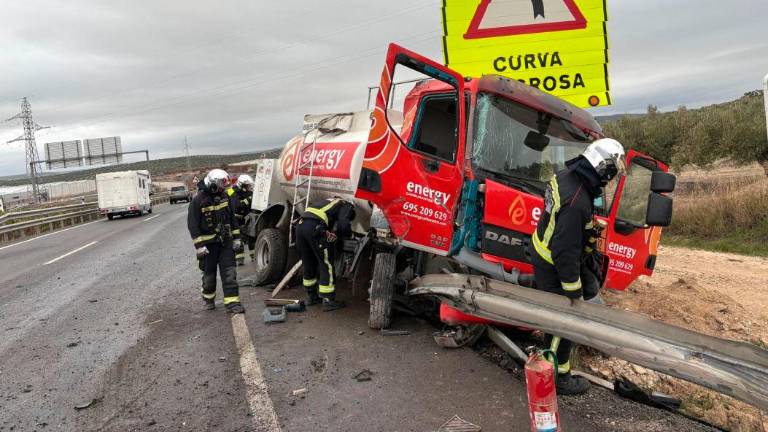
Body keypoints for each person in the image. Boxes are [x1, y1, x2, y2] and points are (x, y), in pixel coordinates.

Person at [530, 138, 626, 395]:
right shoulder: (577, 202)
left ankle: (551, 365)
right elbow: (565, 253)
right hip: (553, 263)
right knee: (563, 322)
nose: (611, 179)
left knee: (556, 317)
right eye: (612, 172)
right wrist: (573, 293)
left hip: (543, 248)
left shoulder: (566, 176)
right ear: (603, 167)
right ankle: (557, 378)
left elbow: (563, 225)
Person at [187, 169, 245, 314]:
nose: (223, 188)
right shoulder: (197, 201)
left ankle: (232, 303)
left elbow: (232, 219)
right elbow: (193, 225)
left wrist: (237, 238)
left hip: (225, 243)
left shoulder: (225, 197)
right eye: (221, 185)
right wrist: (199, 246)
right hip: (208, 247)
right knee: (209, 277)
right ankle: (208, 298)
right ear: (213, 183)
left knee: (230, 273)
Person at [295, 197, 355, 312]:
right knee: (326, 263)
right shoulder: (347, 205)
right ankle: (328, 301)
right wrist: (348, 235)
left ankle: (311, 297)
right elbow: (343, 225)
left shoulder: (328, 202)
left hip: (300, 225)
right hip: (314, 227)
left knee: (308, 262)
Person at [227, 174, 255, 266]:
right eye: (247, 186)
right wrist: (249, 199)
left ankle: (254, 256)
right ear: (242, 186)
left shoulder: (248, 193)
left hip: (247, 218)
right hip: (236, 219)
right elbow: (237, 206)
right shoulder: (231, 191)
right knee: (238, 238)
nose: (249, 187)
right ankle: (239, 259)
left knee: (251, 237)